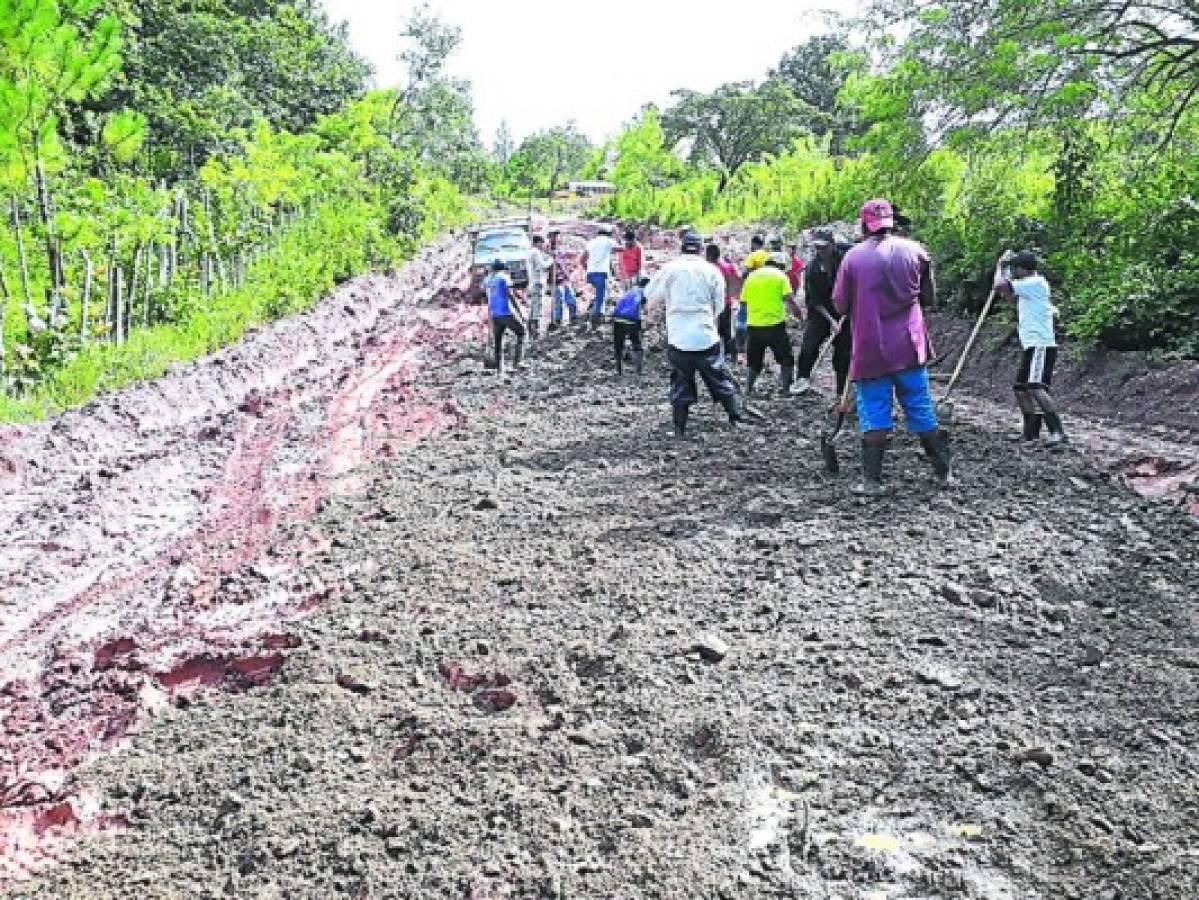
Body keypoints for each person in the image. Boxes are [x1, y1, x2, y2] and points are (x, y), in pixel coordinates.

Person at [833, 198, 952, 494]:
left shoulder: (853, 258)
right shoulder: (916, 251)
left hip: (871, 349)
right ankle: (944, 474)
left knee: (874, 414)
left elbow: (840, 304)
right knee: (921, 409)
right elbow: (930, 298)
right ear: (892, 222)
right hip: (910, 347)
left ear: (864, 224)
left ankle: (872, 481)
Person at [646, 230, 755, 437]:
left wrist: (661, 314)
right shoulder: (711, 271)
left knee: (680, 381)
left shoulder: (670, 269)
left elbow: (652, 295)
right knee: (717, 377)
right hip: (705, 335)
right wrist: (709, 320)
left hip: (678, 337)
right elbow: (720, 305)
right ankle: (734, 417)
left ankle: (680, 428)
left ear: (682, 247)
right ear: (701, 249)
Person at [994, 250, 1068, 446]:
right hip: (1031, 344)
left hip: (1040, 344)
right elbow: (1007, 294)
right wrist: (1006, 272)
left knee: (1036, 387)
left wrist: (1000, 267)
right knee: (1020, 389)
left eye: (1015, 268)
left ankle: (1057, 431)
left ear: (1022, 269)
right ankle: (1030, 432)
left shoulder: (1035, 283)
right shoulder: (1028, 286)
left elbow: (999, 285)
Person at [793, 229, 851, 397]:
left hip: (845, 312)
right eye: (817, 248)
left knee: (843, 352)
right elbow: (814, 300)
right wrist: (831, 321)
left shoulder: (846, 260)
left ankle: (841, 391)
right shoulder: (812, 269)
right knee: (808, 348)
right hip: (820, 313)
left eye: (824, 247)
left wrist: (845, 312)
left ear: (832, 246)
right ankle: (802, 380)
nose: (820, 251)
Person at [741, 251, 803, 395]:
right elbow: (790, 300)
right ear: (782, 265)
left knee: (754, 361)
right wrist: (800, 317)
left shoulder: (751, 276)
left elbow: (743, 301)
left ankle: (748, 389)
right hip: (775, 326)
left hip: (754, 325)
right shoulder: (781, 276)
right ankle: (786, 388)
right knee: (786, 359)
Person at [485, 259, 526, 374]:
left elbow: (487, 295)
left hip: (494, 313)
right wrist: (520, 312)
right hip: (506, 311)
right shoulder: (504, 277)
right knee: (522, 332)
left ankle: (500, 370)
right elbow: (511, 295)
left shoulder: (489, 279)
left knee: (498, 340)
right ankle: (518, 362)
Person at [707, 243, 741, 363]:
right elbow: (737, 282)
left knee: (713, 330)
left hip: (712, 305)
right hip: (726, 303)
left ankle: (715, 356)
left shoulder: (708, 268)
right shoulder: (727, 266)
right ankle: (731, 356)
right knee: (726, 331)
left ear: (709, 255)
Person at [612, 276, 650, 377]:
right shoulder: (643, 293)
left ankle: (619, 370)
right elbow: (645, 310)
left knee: (618, 345)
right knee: (637, 343)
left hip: (618, 318)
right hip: (632, 319)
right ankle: (639, 371)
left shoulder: (630, 291)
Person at [583, 224, 619, 326]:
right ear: (608, 234)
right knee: (601, 296)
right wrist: (617, 235)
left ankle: (594, 310)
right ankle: (596, 317)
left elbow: (582, 259)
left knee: (603, 293)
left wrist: (588, 268)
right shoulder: (608, 241)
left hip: (590, 273)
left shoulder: (591, 242)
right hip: (601, 273)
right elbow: (622, 248)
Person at [547, 229, 578, 329]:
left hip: (564, 278)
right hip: (554, 280)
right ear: (549, 237)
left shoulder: (560, 249)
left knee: (571, 299)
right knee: (558, 301)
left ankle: (573, 318)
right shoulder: (547, 250)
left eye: (557, 236)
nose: (555, 238)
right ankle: (557, 321)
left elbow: (566, 259)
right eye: (553, 236)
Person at [526, 234, 551, 339]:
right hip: (537, 282)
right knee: (537, 307)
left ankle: (531, 330)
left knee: (533, 306)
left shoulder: (531, 252)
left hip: (533, 282)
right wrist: (550, 260)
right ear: (538, 242)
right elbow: (542, 265)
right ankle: (535, 331)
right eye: (542, 243)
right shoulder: (535, 252)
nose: (543, 246)